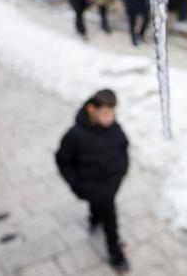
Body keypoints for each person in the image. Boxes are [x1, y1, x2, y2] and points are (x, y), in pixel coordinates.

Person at [55, 89, 129, 272]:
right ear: (92, 110)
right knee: (104, 211)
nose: (110, 117)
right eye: (105, 113)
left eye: (113, 112)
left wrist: (120, 174)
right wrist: (76, 183)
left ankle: (104, 232)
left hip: (110, 185)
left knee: (106, 210)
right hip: (89, 185)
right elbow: (62, 159)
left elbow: (123, 151)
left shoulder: (115, 130)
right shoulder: (75, 135)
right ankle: (108, 240)